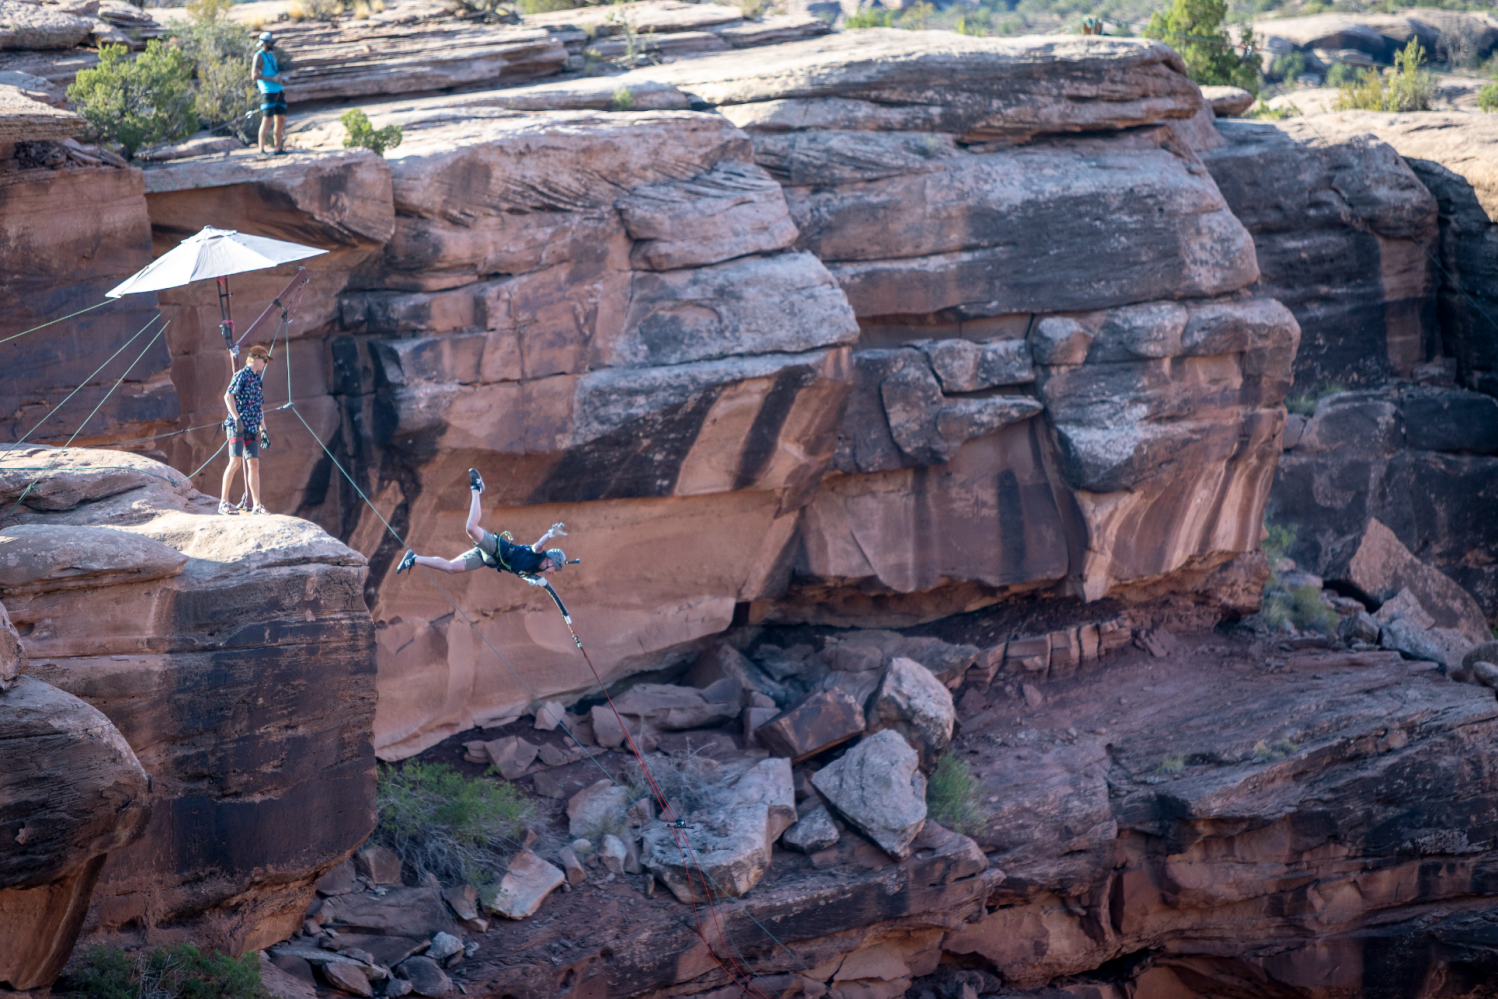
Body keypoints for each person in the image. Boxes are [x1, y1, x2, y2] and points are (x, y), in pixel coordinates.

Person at [397, 470, 573, 584]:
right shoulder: (538, 556)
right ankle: (477, 488)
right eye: (555, 569)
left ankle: (413, 558)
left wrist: (534, 580)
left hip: (488, 559)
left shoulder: (536, 569)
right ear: (550, 560)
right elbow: (538, 545)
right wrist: (550, 534)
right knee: (471, 528)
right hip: (496, 547)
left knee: (451, 568)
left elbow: (525, 574)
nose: (554, 573)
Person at [220, 345, 271, 516]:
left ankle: (257, 505)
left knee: (254, 464)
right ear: (256, 358)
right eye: (264, 360)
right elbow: (228, 396)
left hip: (252, 427)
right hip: (238, 427)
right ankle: (224, 502)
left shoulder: (257, 380)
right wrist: (236, 418)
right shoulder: (241, 375)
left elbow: (259, 407)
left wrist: (263, 430)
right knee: (235, 463)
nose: (265, 364)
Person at [253, 32, 287, 156]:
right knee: (267, 120)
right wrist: (272, 79)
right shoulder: (259, 56)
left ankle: (278, 148)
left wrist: (280, 79)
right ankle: (261, 150)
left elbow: (273, 72)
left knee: (280, 119)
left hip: (278, 90)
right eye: (270, 42)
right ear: (264, 43)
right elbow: (254, 76)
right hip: (267, 92)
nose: (272, 44)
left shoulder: (272, 55)